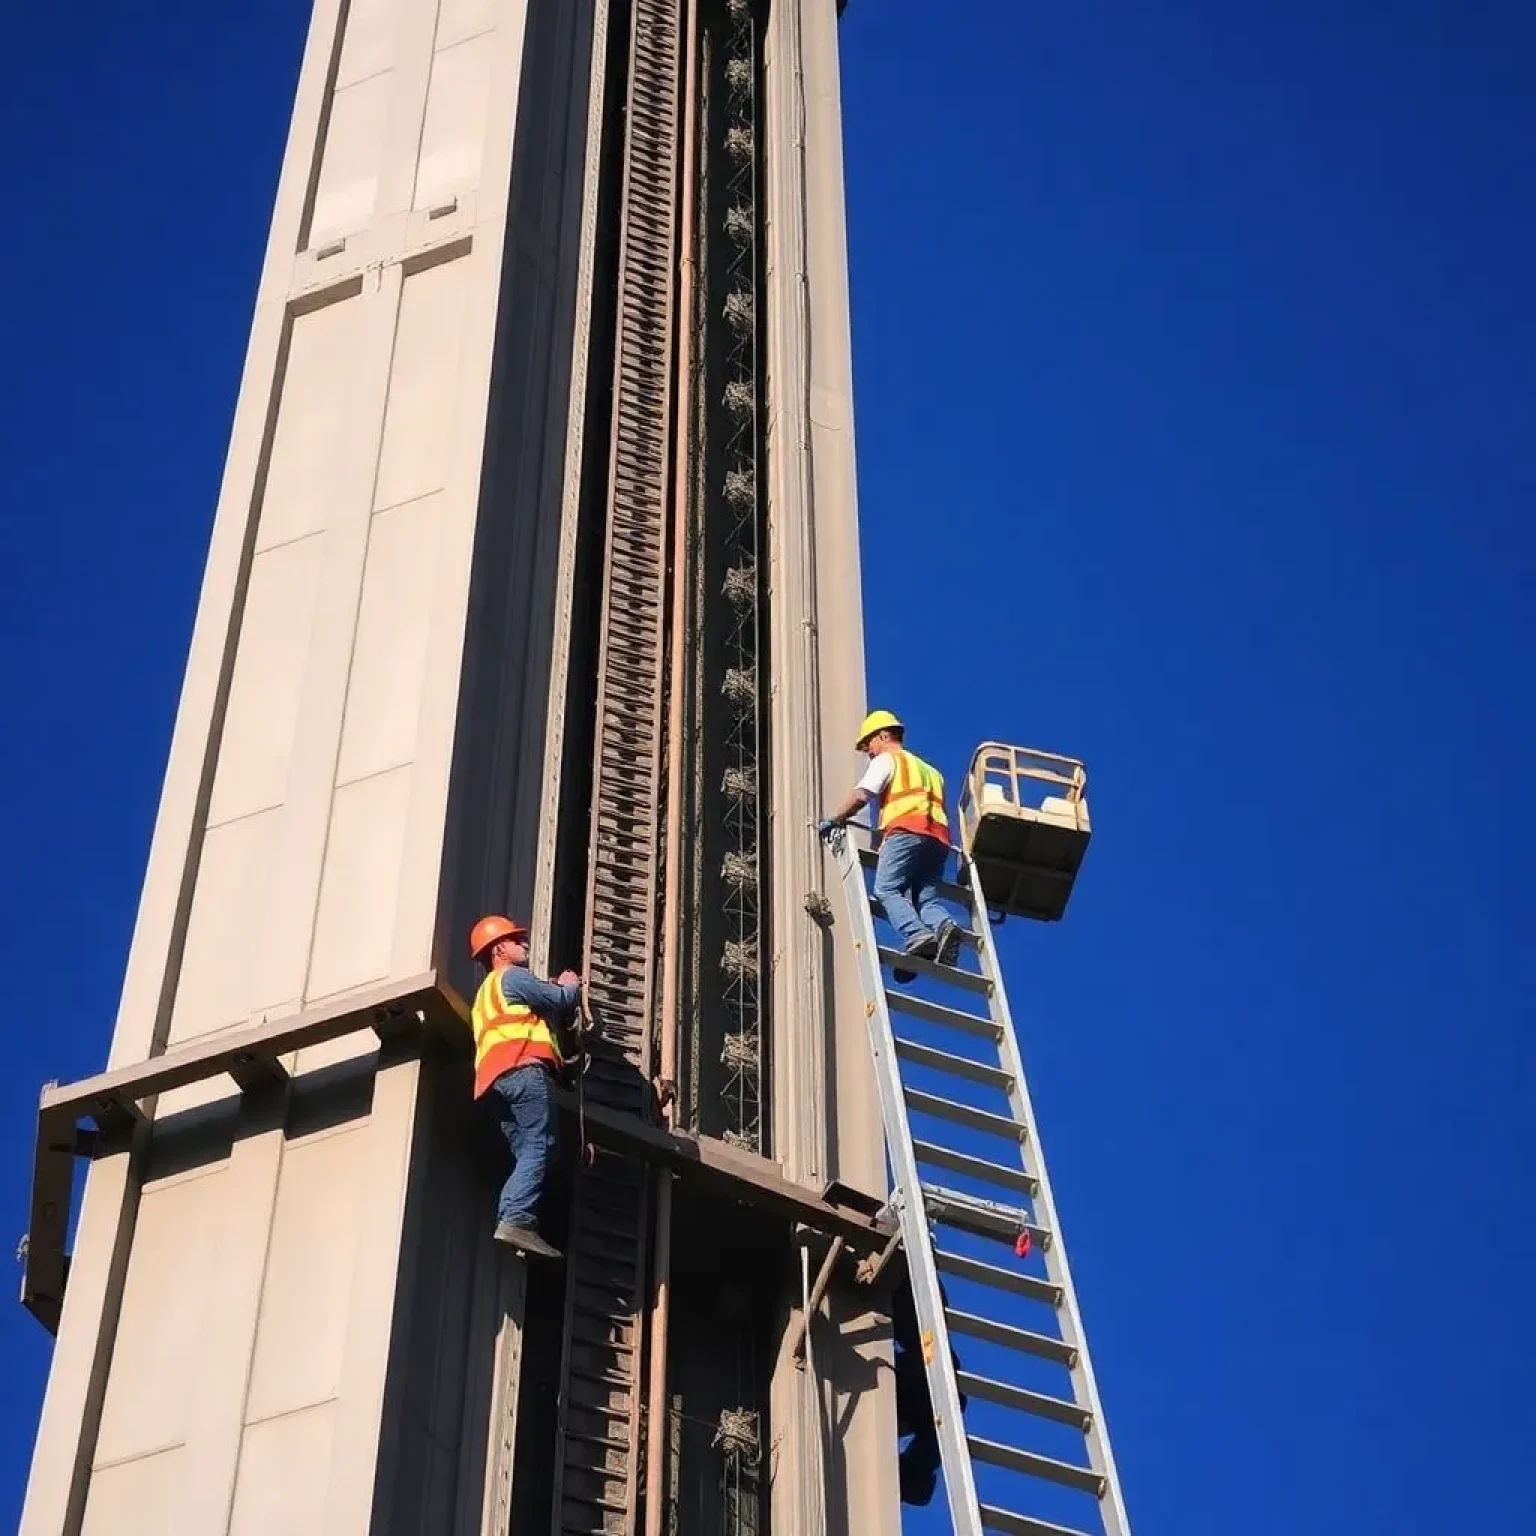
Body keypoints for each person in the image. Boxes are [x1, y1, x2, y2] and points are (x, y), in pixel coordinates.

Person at [467, 913, 583, 1259]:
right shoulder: (513, 977)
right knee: (540, 1145)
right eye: (517, 941)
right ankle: (516, 1219)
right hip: (523, 1073)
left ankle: (521, 1223)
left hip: (492, 1085)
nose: (524, 945)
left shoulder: (483, 997)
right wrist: (570, 982)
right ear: (499, 949)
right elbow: (561, 1000)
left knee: (534, 1152)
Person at [818, 709, 959, 975]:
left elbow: (862, 794)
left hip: (906, 830)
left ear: (883, 735)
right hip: (938, 841)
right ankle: (943, 927)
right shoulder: (932, 771)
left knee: (886, 890)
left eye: (868, 744)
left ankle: (917, 934)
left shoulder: (886, 760)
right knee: (925, 899)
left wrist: (835, 819)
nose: (868, 752)